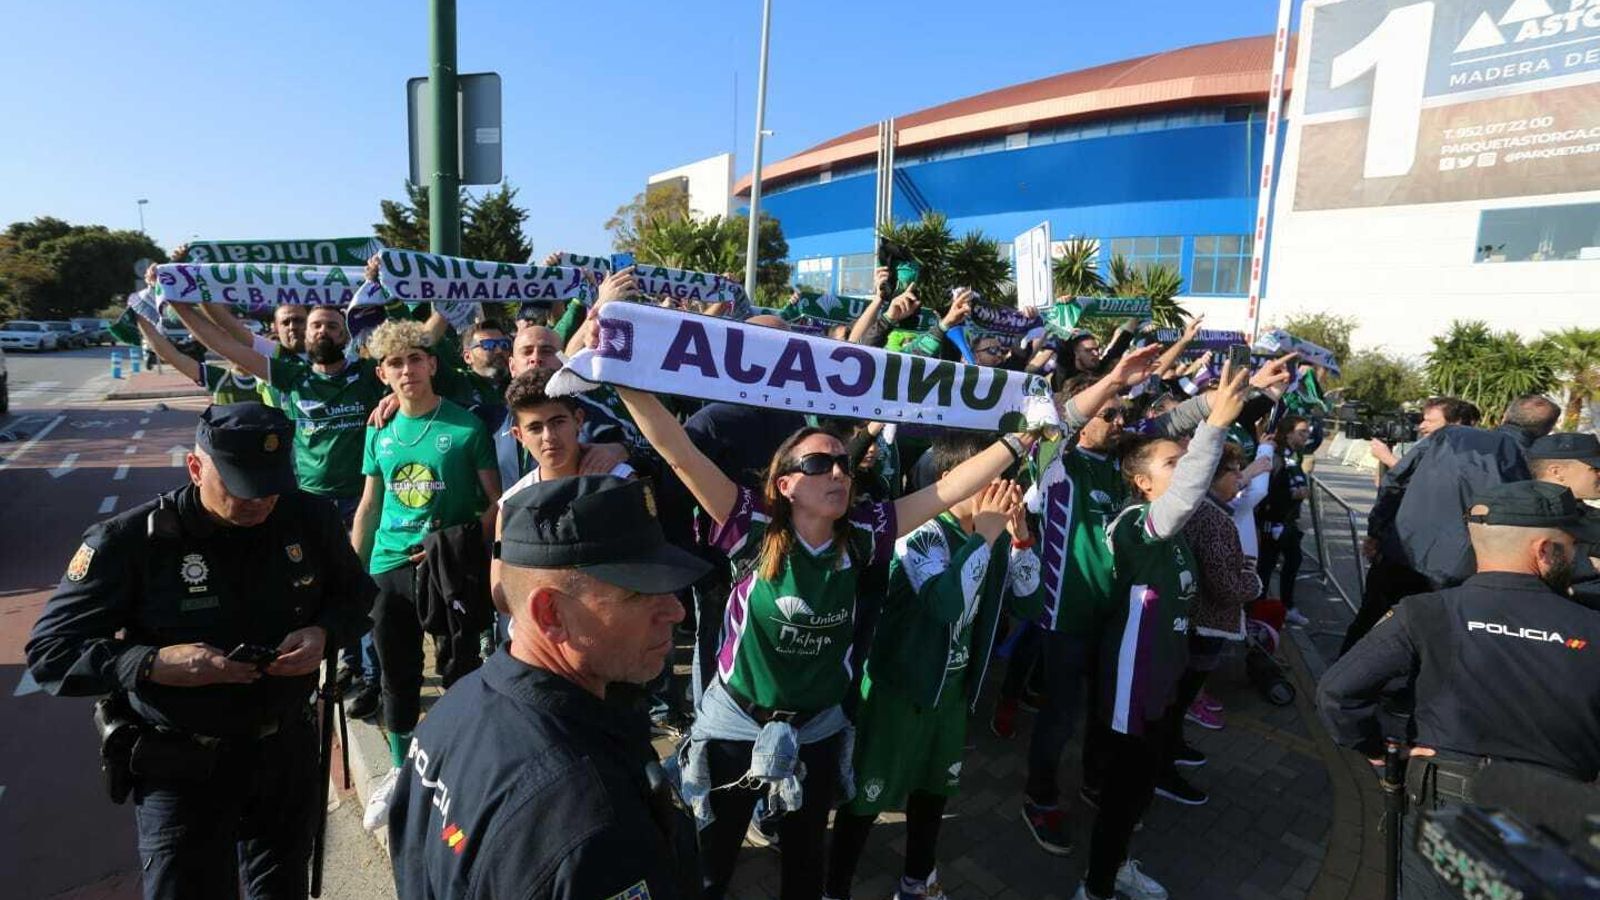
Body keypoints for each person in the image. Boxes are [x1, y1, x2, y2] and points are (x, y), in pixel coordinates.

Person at [615, 382, 1037, 900]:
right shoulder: (749, 521)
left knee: (805, 865)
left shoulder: (864, 532)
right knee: (710, 867)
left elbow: (946, 492)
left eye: (844, 463)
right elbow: (677, 451)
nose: (838, 471)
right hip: (736, 722)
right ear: (786, 482)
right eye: (819, 464)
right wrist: (621, 379)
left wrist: (1028, 436)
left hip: (816, 727)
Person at [24, 403, 375, 900]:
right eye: (238, 486)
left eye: (271, 485)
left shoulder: (306, 516)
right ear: (195, 468)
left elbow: (357, 595)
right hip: (184, 765)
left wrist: (323, 632)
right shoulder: (131, 541)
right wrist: (152, 663)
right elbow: (51, 652)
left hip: (284, 754)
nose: (258, 501)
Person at [388, 476, 706, 899]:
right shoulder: (593, 826)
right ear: (551, 614)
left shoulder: (456, 707)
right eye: (637, 594)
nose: (676, 610)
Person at [1316, 480, 1600, 899]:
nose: (1578, 557)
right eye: (1572, 544)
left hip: (1445, 804)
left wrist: (1379, 751)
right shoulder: (1592, 626)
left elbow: (1337, 693)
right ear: (1543, 550)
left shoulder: (1425, 612)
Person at [824, 435, 1043, 900]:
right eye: (988, 481)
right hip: (897, 691)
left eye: (1006, 484)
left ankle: (916, 881)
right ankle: (834, 887)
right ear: (951, 481)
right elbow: (944, 604)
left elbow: (1029, 606)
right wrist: (984, 537)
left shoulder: (992, 535)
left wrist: (1021, 539)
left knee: (934, 789)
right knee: (867, 795)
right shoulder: (921, 534)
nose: (1001, 494)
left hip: (950, 693)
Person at [1073, 362, 1250, 900]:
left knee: (1140, 789)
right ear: (1142, 482)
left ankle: (1118, 864)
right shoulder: (1135, 524)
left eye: (1185, 460)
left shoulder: (1175, 536)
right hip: (1131, 684)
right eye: (1173, 462)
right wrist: (1213, 426)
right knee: (1124, 793)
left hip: (1162, 681)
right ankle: (1098, 886)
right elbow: (1177, 506)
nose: (1187, 469)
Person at [174, 301, 394, 716]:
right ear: (305, 336)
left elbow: (411, 363)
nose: (322, 331)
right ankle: (346, 663)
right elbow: (229, 343)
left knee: (362, 589)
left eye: (332, 325)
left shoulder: (368, 376)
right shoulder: (292, 376)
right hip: (308, 504)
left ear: (345, 335)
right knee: (318, 592)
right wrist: (182, 302)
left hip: (362, 500)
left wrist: (395, 398)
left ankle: (372, 679)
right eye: (315, 326)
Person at [350, 318, 501, 827]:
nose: (407, 369)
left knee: (459, 671)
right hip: (388, 567)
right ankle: (398, 770)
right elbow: (370, 506)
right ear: (382, 374)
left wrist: (451, 546)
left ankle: (459, 765)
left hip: (447, 570)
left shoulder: (466, 427)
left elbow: (495, 504)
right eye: (396, 362)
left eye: (416, 359)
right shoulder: (378, 430)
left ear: (433, 364)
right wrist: (350, 573)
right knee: (398, 673)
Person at [1343, 398, 1478, 653]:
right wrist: (1376, 534)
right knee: (1369, 617)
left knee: (1426, 631)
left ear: (1457, 423)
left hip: (1438, 564)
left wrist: (1390, 460)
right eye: (1422, 419)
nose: (1422, 427)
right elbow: (1393, 491)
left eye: (1430, 421)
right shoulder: (1430, 447)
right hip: (1400, 552)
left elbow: (1435, 488)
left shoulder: (1469, 457)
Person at [1388, 394, 1559, 588]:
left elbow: (1395, 480)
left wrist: (1377, 533)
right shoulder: (1539, 465)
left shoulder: (1449, 436)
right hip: (1462, 572)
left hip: (1402, 550)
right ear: (1547, 430)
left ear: (1505, 416)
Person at [1527, 431, 1600, 608]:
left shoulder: (1588, 516)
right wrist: (1587, 564)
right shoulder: (1516, 513)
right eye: (1595, 469)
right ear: (1556, 471)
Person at [1258, 415, 1312, 627]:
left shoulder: (1294, 457)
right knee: (1265, 568)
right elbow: (1267, 491)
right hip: (1274, 525)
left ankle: (1287, 606)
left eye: (1307, 431)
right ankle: (1257, 613)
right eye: (1302, 432)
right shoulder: (1278, 458)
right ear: (1288, 433)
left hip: (1288, 523)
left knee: (1293, 561)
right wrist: (1292, 494)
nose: (1306, 436)